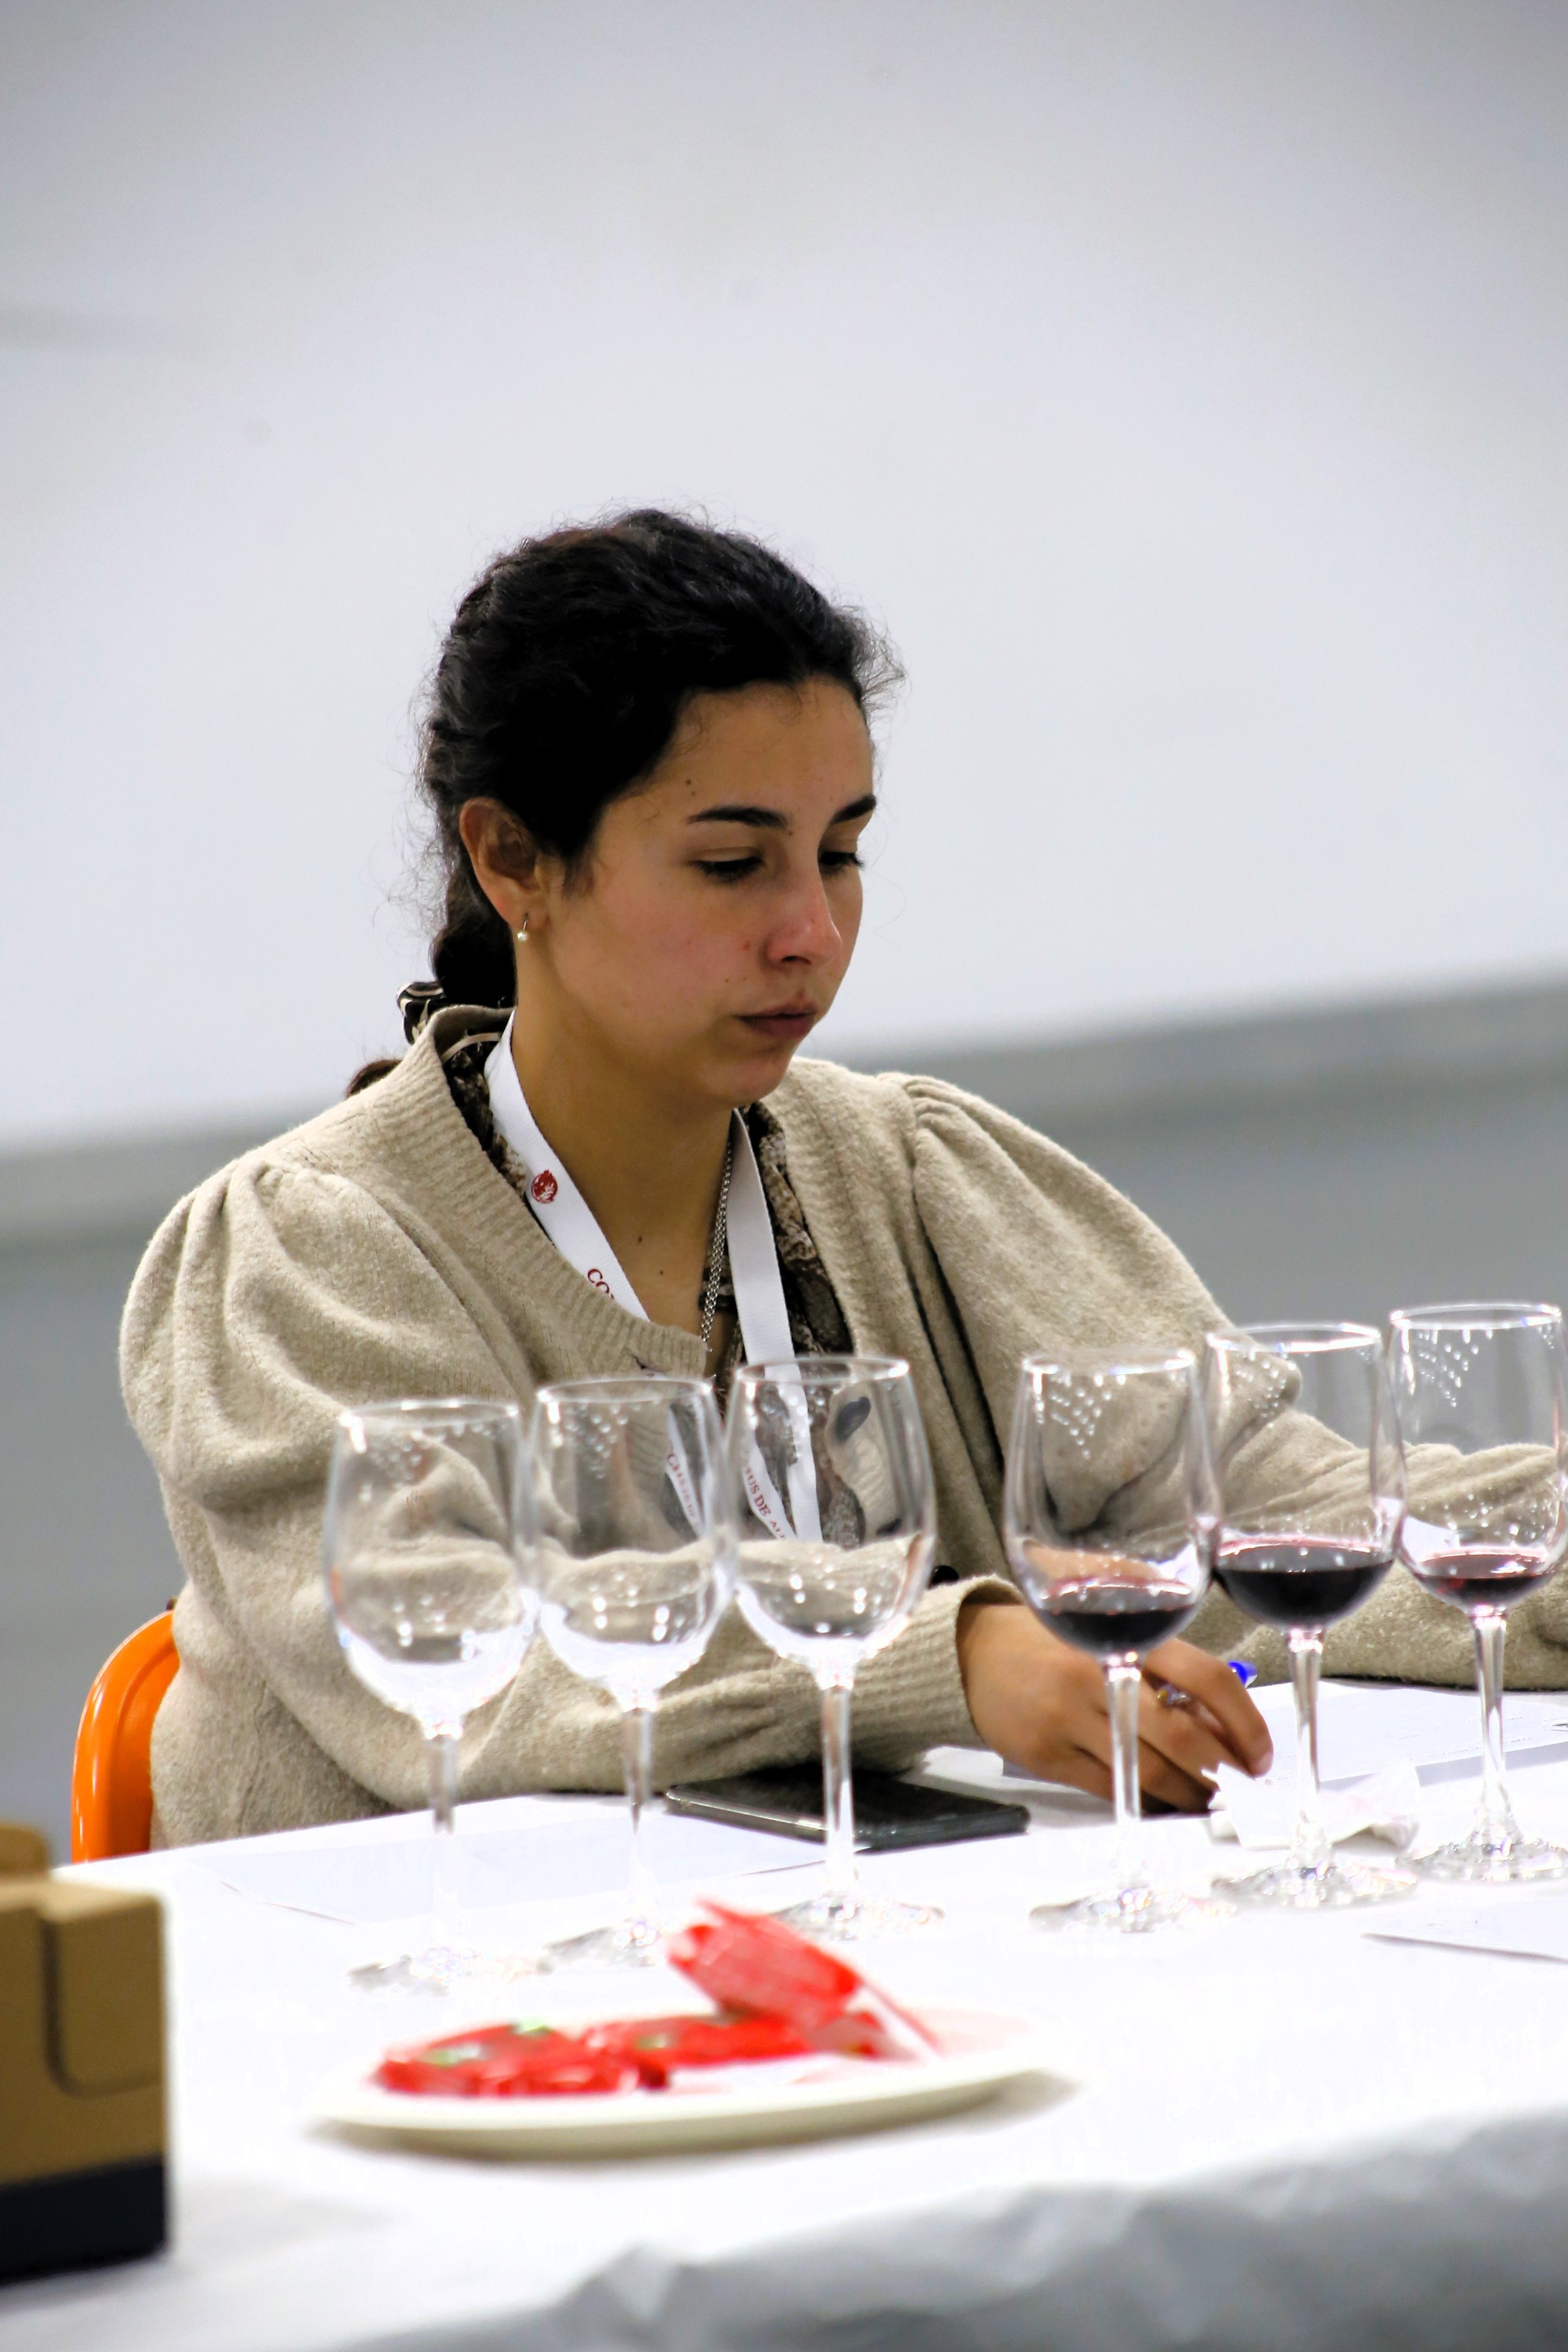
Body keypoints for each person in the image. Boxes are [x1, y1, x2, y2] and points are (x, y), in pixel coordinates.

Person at [122, 511, 1527, 1849]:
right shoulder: (306, 1251)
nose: (808, 929)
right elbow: (481, 1669)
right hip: (415, 2033)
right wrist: (957, 1652)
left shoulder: (914, 1175)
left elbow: (1282, 1518)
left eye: (840, 852)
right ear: (514, 862)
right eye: (732, 863)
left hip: (869, 1981)